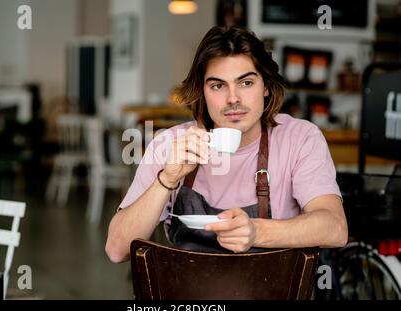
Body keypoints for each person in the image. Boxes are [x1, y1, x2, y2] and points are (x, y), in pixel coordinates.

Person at [106, 26, 348, 263]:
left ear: (266, 86)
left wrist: (255, 231)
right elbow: (117, 250)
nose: (233, 98)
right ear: (202, 91)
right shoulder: (170, 144)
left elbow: (335, 228)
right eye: (218, 85)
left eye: (246, 83)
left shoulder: (300, 139)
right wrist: (166, 180)